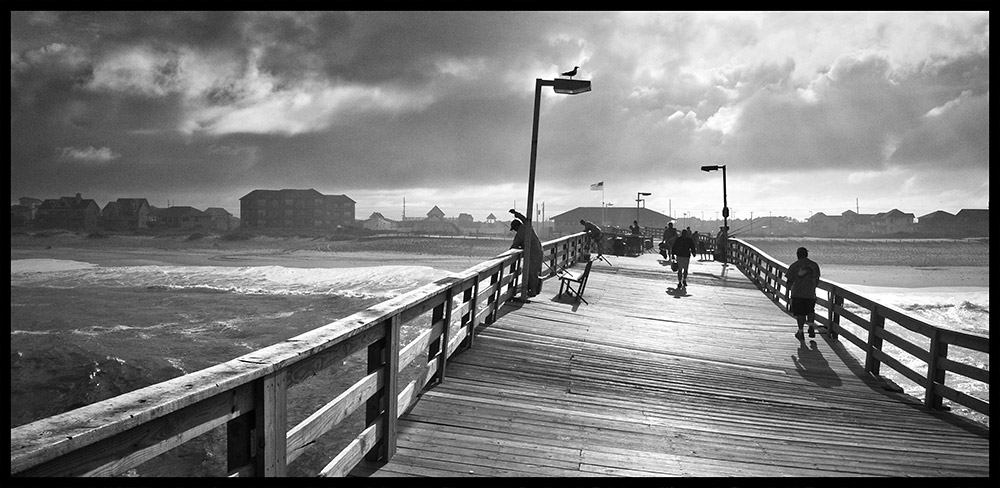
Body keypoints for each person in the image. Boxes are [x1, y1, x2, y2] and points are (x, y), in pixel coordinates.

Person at [787, 247, 822, 339]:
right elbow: (817, 278)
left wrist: (787, 294)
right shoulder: (814, 265)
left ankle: (801, 331)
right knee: (810, 310)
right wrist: (813, 287)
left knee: (800, 313)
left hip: (797, 293)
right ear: (807, 254)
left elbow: (789, 281)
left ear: (797, 255)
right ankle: (811, 326)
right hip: (810, 293)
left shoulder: (794, 265)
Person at [509, 209, 543, 298]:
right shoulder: (527, 226)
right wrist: (516, 213)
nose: (515, 231)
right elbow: (525, 219)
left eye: (514, 229)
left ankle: (533, 291)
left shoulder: (520, 234)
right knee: (534, 271)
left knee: (531, 272)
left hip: (533, 254)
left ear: (516, 227)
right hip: (539, 250)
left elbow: (514, 246)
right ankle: (532, 289)